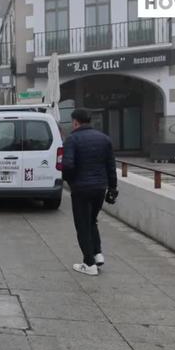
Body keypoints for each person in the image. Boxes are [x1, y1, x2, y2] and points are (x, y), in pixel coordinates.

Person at [63, 109, 118, 276]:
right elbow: (111, 166)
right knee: (92, 220)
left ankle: (89, 263)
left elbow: (68, 165)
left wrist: (71, 181)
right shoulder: (104, 139)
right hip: (100, 188)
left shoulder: (72, 139)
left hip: (81, 188)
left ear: (75, 122)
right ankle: (97, 253)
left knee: (82, 225)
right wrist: (112, 188)